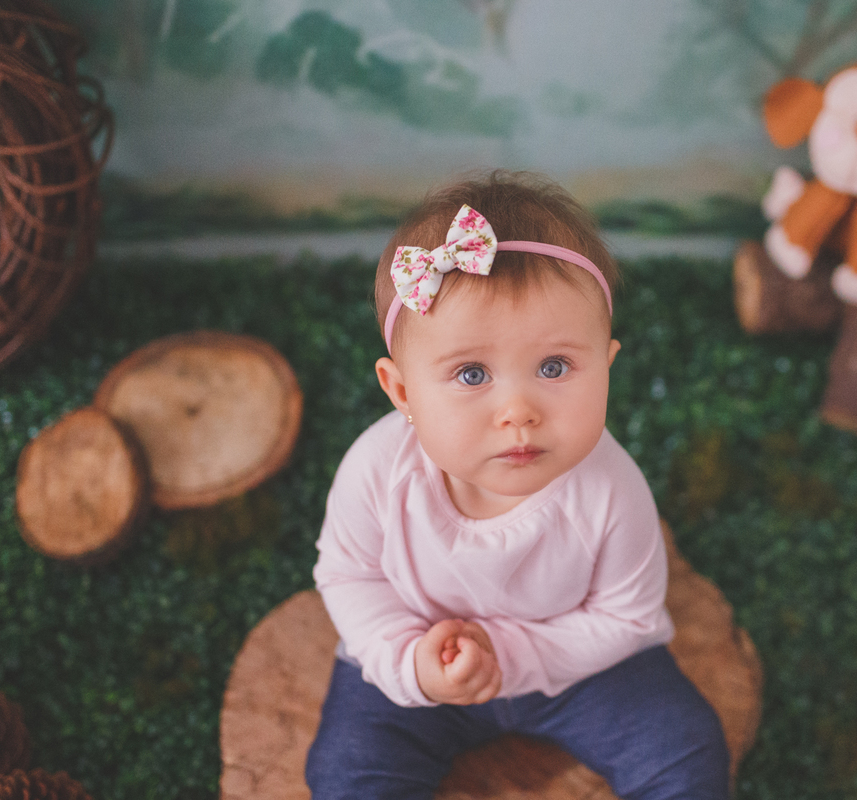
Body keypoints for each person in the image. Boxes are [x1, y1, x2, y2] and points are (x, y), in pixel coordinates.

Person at [307, 171, 730, 799]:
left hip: (577, 667)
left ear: (606, 365)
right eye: (471, 374)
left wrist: (506, 655)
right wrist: (411, 664)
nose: (518, 411)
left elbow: (627, 617)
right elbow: (349, 575)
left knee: (686, 752)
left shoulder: (610, 491)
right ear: (403, 392)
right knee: (348, 773)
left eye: (554, 367)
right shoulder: (377, 471)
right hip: (423, 657)